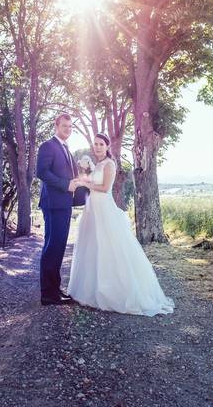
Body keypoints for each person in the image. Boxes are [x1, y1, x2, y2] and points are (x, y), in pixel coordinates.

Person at [67, 132, 175, 316]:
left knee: (110, 247)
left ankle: (116, 291)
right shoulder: (98, 165)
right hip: (92, 209)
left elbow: (104, 188)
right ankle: (92, 289)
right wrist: (84, 178)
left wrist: (83, 184)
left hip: (104, 209)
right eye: (96, 144)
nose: (98, 147)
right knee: (93, 246)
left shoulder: (109, 164)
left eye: (101, 144)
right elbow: (93, 183)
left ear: (107, 146)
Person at [35, 113, 84, 305]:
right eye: (65, 126)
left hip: (63, 205)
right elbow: (41, 172)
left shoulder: (65, 148)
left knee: (58, 248)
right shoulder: (48, 146)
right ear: (56, 126)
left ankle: (54, 290)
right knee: (52, 247)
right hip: (53, 205)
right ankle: (48, 294)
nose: (68, 130)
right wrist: (65, 185)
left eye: (71, 127)